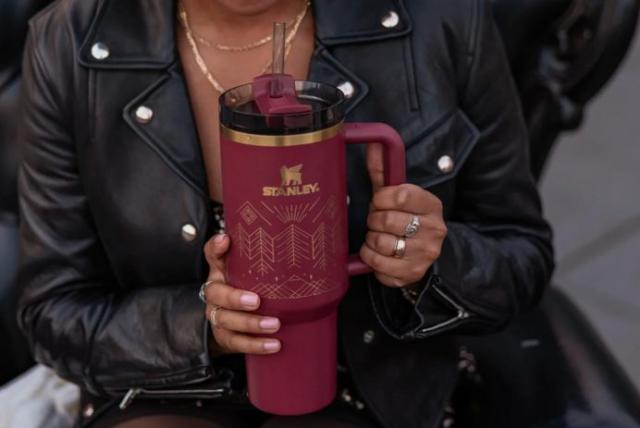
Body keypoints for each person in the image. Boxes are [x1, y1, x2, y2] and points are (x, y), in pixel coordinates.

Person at [16, 0, 554, 427]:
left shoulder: (442, 17)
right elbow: (54, 311)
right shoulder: (69, 42)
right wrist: (201, 324)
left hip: (373, 387)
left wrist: (431, 261)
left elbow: (520, 252)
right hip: (162, 385)